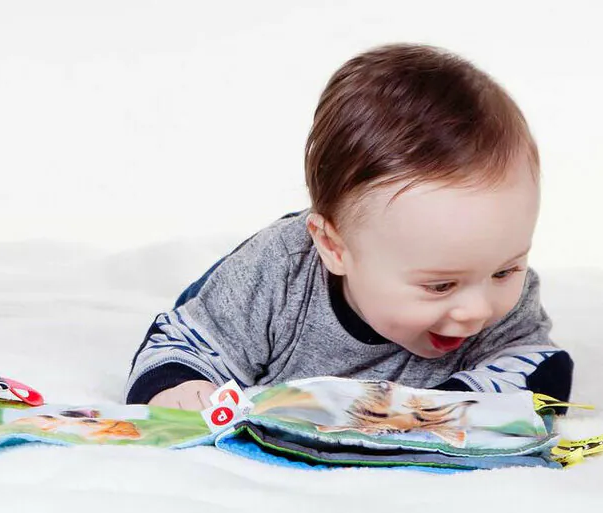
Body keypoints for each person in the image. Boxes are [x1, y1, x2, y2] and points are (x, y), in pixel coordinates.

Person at [124, 43, 573, 410]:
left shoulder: (493, 289)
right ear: (335, 248)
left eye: (505, 271)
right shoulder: (274, 277)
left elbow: (537, 365)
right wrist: (182, 391)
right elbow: (178, 351)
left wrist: (450, 406)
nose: (477, 309)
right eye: (440, 285)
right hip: (248, 300)